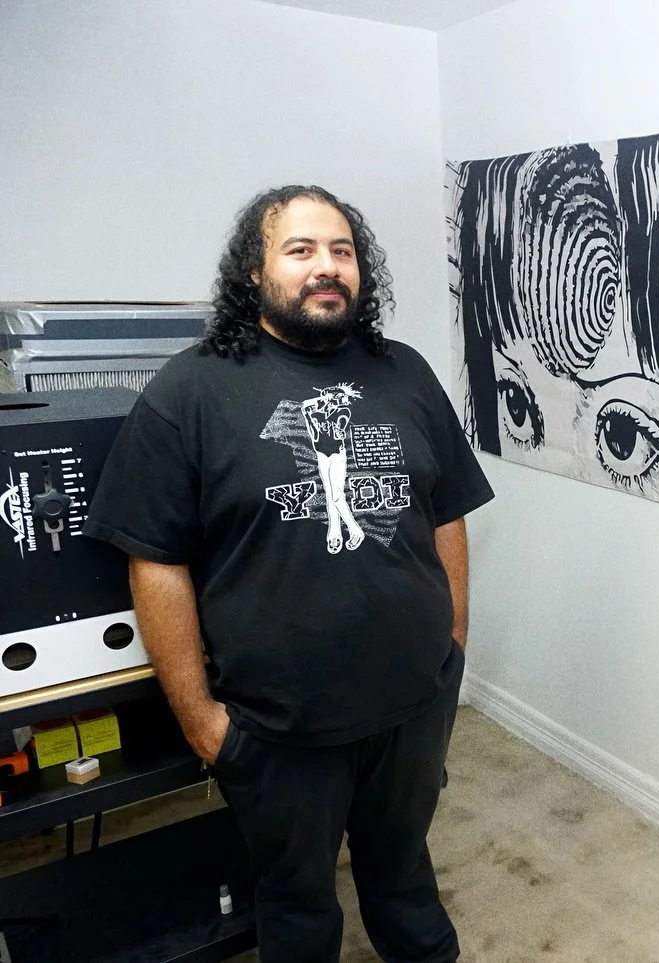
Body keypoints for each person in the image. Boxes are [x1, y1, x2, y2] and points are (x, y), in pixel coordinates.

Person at [84, 185, 494, 962]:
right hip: (279, 729)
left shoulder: (404, 373)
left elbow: (446, 513)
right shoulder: (190, 392)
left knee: (405, 878)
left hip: (414, 706)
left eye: (342, 250)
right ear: (255, 270)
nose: (325, 267)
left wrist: (452, 651)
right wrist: (202, 721)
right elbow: (155, 562)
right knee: (298, 906)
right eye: (300, 250)